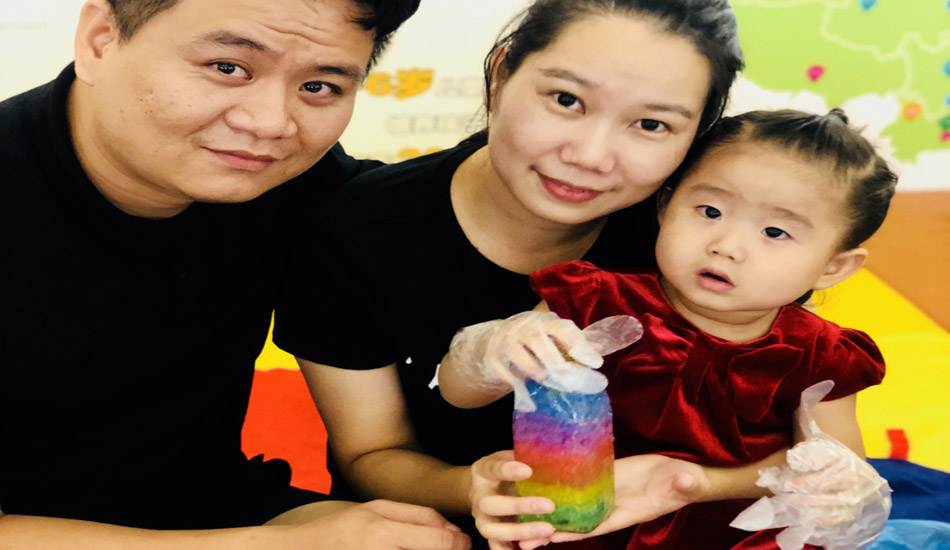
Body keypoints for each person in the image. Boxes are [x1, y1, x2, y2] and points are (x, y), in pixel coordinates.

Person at [0, 1, 472, 549]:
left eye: (319, 86)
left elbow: (451, 205)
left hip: (219, 507)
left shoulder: (295, 183)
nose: (270, 123)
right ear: (100, 39)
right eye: (227, 67)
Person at [272, 0, 744, 547]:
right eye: (566, 99)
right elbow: (370, 453)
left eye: (651, 124)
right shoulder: (357, 231)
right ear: (500, 74)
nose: (590, 156)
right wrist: (477, 486)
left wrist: (706, 483)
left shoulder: (706, 243)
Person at [438, 108, 898, 549]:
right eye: (710, 211)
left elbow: (835, 478)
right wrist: (492, 349)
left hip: (741, 536)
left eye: (774, 233)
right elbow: (457, 395)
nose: (726, 246)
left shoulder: (817, 355)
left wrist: (698, 484)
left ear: (834, 267)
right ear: (666, 204)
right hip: (580, 525)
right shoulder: (590, 302)